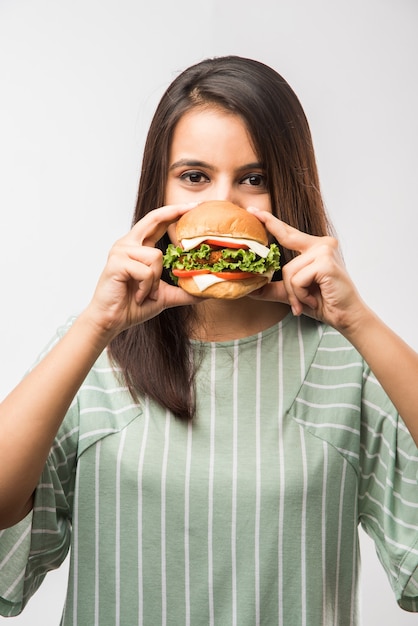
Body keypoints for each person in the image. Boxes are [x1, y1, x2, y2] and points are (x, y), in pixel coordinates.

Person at [0, 55, 417, 626]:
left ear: (288, 191)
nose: (224, 205)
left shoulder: (350, 363)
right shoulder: (92, 354)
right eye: (195, 177)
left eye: (254, 179)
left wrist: (360, 322)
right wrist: (96, 324)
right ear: (159, 190)